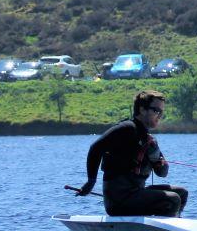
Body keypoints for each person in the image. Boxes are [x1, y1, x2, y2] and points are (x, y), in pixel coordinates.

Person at [77, 89, 188, 217]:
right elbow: (96, 147)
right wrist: (91, 181)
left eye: (162, 112)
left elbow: (162, 173)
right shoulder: (127, 128)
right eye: (156, 111)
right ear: (142, 110)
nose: (160, 116)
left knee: (181, 193)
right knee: (172, 199)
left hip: (136, 194)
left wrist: (156, 156)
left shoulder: (148, 139)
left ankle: (170, 226)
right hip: (119, 199)